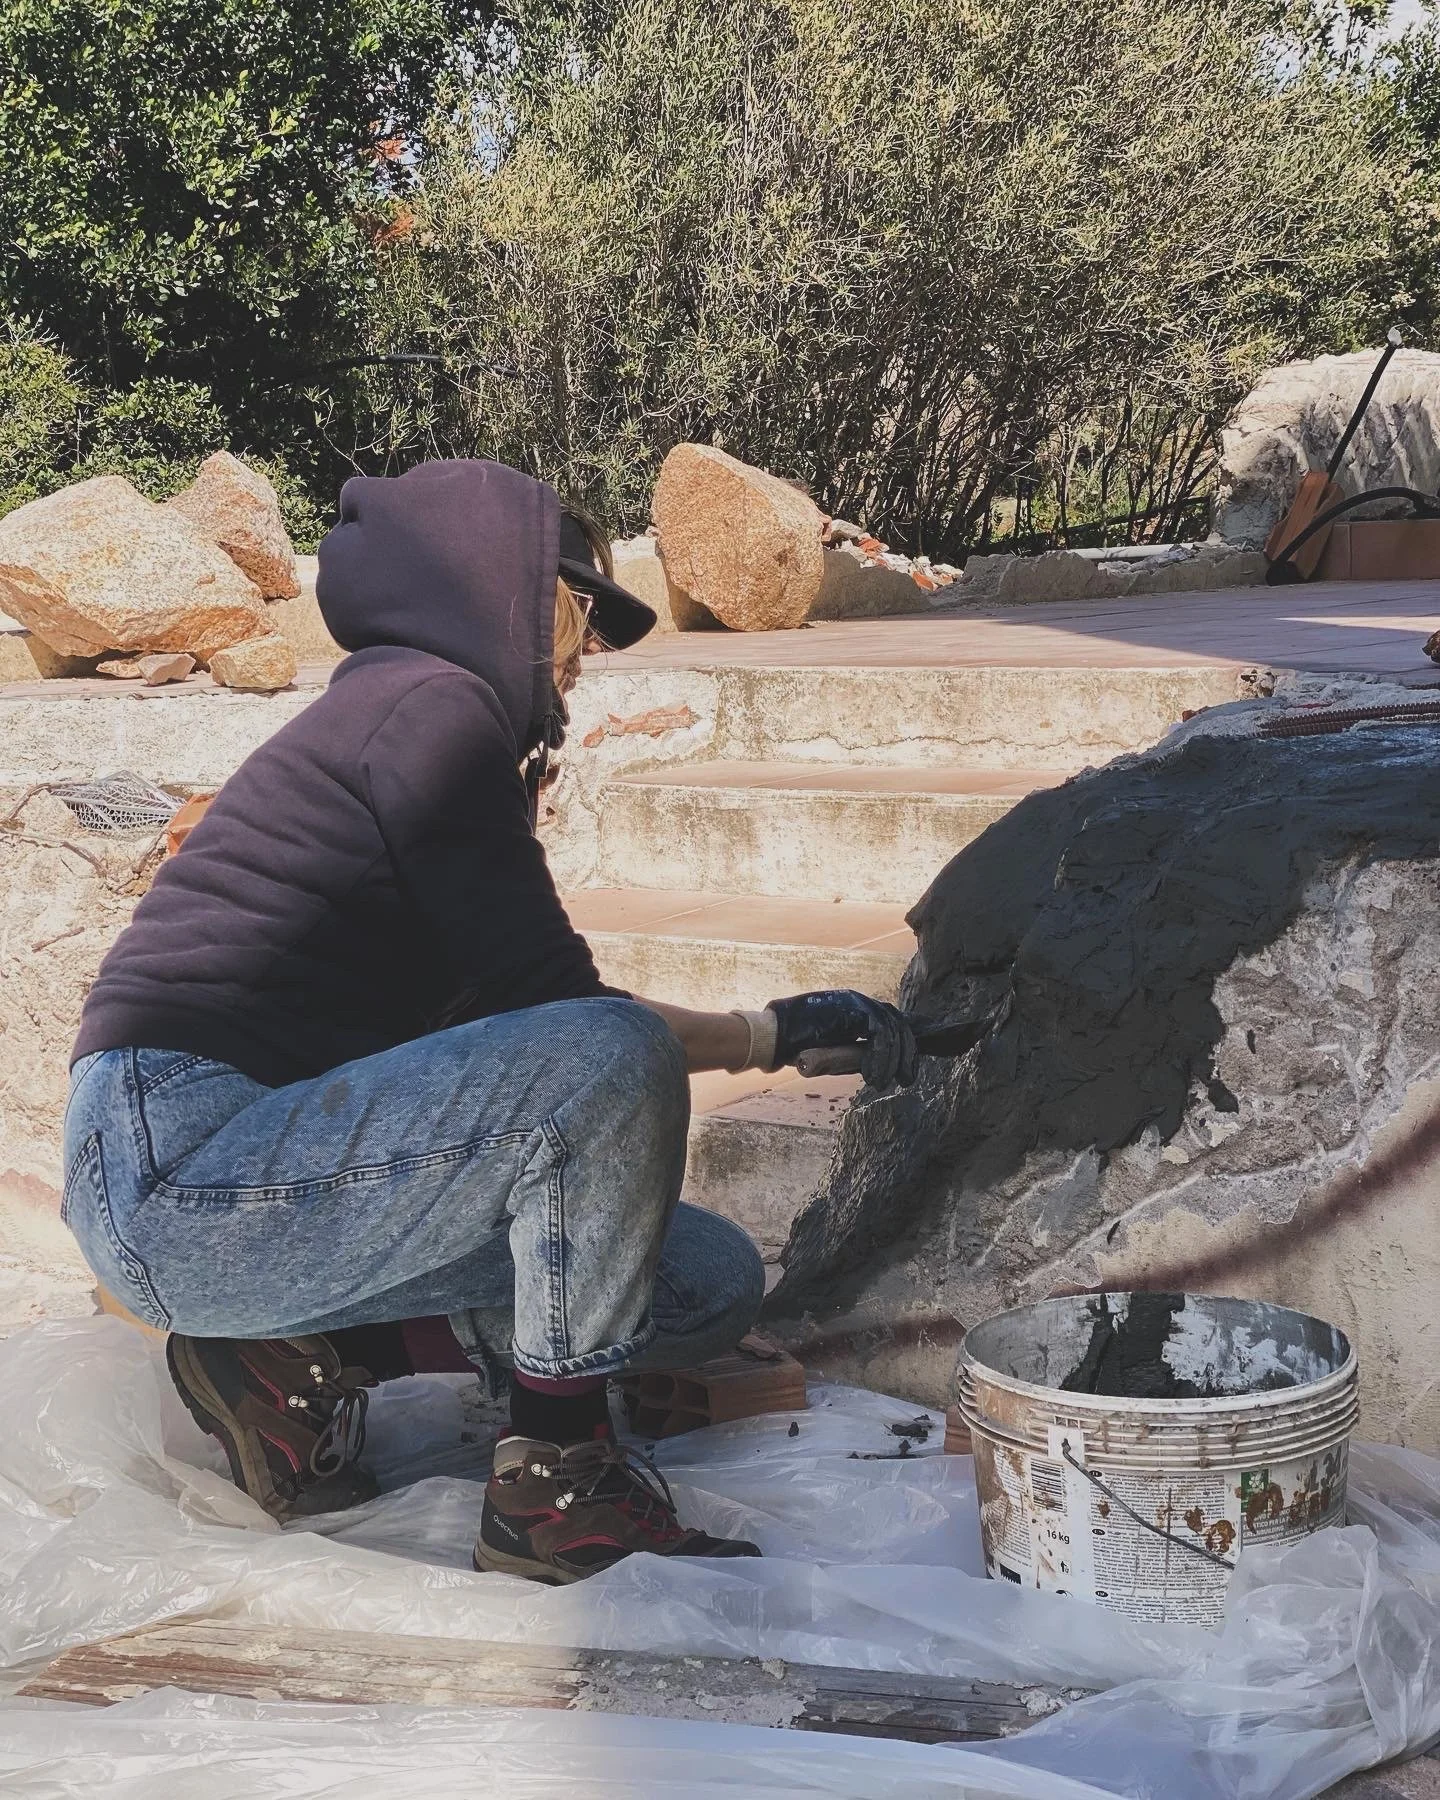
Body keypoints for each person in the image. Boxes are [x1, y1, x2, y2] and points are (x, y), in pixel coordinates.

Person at [61, 459, 917, 1584]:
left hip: (246, 1175)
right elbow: (577, 1033)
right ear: (498, 584)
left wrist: (767, 1032)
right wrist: (761, 1030)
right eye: (576, 605)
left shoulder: (420, 724)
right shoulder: (427, 707)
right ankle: (559, 1492)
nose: (586, 650)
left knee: (697, 1277)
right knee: (606, 1063)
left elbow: (542, 1032)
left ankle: (290, 1360)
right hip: (179, 1165)